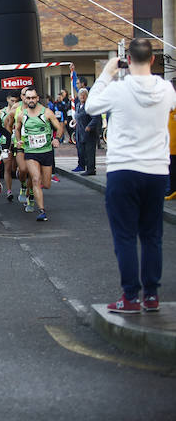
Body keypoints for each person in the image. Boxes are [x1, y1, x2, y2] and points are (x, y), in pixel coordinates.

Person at [85, 39, 176, 313]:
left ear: (127, 59)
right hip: (157, 171)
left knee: (125, 236)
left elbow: (90, 107)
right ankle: (151, 295)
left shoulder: (118, 90)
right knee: (152, 235)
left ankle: (130, 297)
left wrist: (107, 73)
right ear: (152, 60)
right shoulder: (166, 89)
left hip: (123, 169)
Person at [15, 87, 63, 222]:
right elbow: (17, 129)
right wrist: (19, 141)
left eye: (33, 98)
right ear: (25, 99)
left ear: (37, 98)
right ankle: (42, 210)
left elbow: (59, 128)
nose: (30, 100)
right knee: (35, 179)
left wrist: (56, 139)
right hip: (30, 152)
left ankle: (37, 186)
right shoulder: (21, 115)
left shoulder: (47, 113)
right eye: (28, 98)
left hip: (46, 151)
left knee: (46, 184)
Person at [74, 88, 101, 176]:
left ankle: (91, 169)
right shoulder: (78, 105)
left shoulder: (90, 106)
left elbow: (96, 117)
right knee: (81, 150)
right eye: (81, 95)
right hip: (79, 131)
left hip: (89, 133)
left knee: (89, 151)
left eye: (84, 95)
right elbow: (78, 116)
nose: (82, 96)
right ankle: (82, 165)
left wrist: (89, 126)